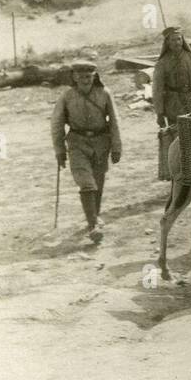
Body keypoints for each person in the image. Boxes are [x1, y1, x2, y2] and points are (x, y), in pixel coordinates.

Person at [51, 60, 123, 243]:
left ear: (94, 76)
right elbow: (57, 124)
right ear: (74, 77)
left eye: (88, 77)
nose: (85, 80)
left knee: (98, 183)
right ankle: (93, 226)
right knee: (86, 183)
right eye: (81, 77)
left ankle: (94, 217)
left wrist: (116, 147)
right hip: (77, 143)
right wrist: (60, 151)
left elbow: (114, 121)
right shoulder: (67, 96)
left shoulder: (105, 94)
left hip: (101, 143)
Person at [153, 25, 191, 128]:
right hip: (174, 105)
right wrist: (159, 113)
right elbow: (157, 89)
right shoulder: (161, 63)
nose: (177, 43)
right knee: (179, 134)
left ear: (183, 40)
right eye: (173, 40)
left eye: (179, 39)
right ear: (167, 42)